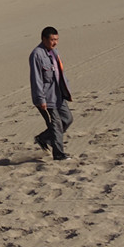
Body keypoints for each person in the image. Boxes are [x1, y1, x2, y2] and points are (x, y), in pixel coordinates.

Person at [30, 26, 73, 160]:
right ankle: (59, 154)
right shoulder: (36, 54)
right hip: (46, 97)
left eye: (57, 39)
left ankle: (43, 138)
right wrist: (40, 99)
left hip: (58, 95)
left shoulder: (54, 52)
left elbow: (60, 73)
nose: (55, 42)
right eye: (52, 39)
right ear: (44, 39)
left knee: (67, 119)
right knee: (56, 125)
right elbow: (36, 79)